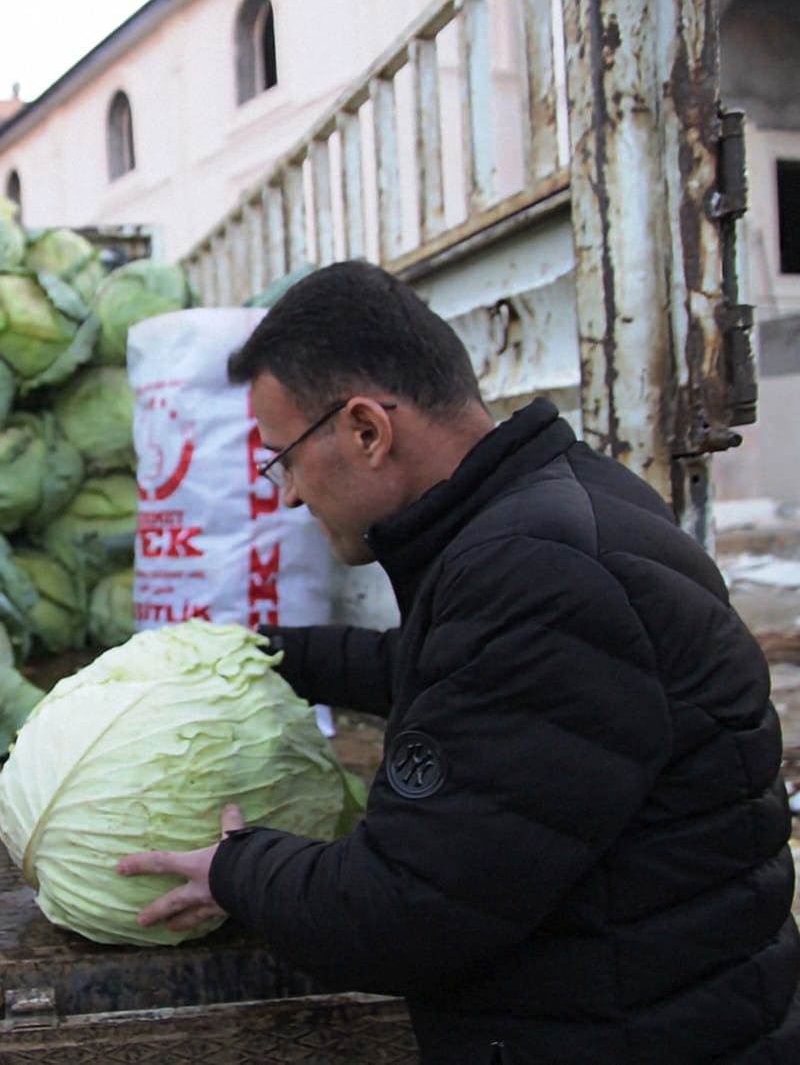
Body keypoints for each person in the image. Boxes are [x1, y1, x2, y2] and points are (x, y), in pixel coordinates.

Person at [115, 261, 798, 1062]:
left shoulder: (543, 573)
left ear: (367, 430)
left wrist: (240, 867)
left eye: (283, 459)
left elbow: (404, 909)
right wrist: (257, 653)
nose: (289, 497)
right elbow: (456, 676)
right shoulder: (557, 510)